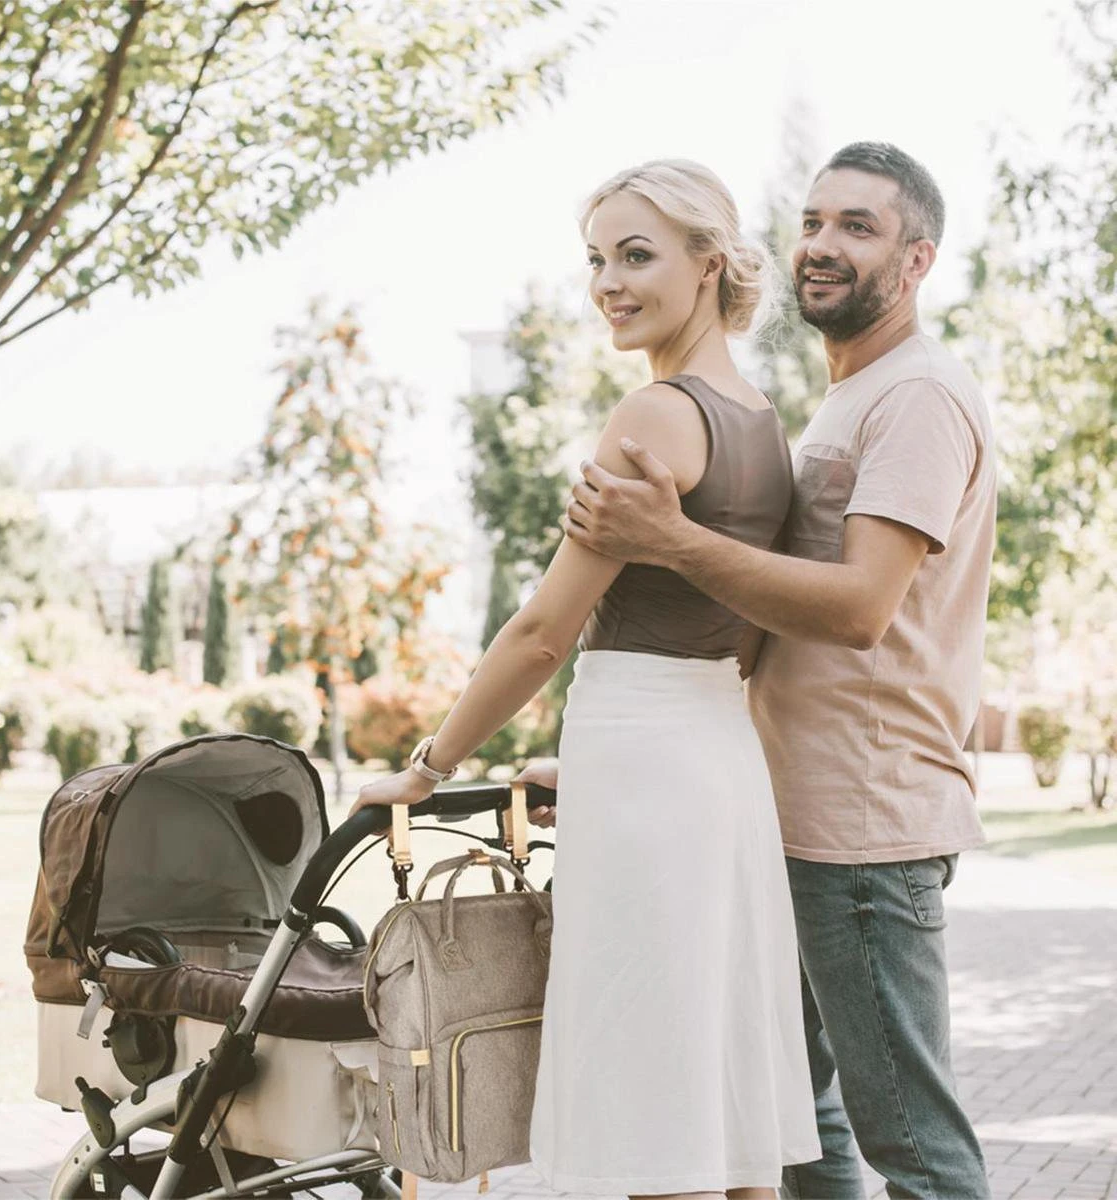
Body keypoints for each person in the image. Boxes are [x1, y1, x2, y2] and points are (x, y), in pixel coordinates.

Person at [352, 159, 821, 1198]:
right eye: (598, 260)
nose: (609, 283)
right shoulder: (761, 422)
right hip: (714, 761)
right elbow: (736, 629)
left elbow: (540, 633)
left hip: (651, 771)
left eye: (637, 255)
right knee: (716, 1100)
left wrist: (428, 768)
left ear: (709, 263)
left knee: (658, 1107)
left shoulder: (654, 416)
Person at [560, 142, 996, 1199]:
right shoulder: (847, 396)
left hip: (865, 823)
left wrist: (671, 541)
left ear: (917, 260)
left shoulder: (919, 397)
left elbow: (858, 610)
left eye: (859, 227)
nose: (823, 245)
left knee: (913, 1144)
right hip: (779, 814)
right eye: (812, 222)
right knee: (798, 1132)